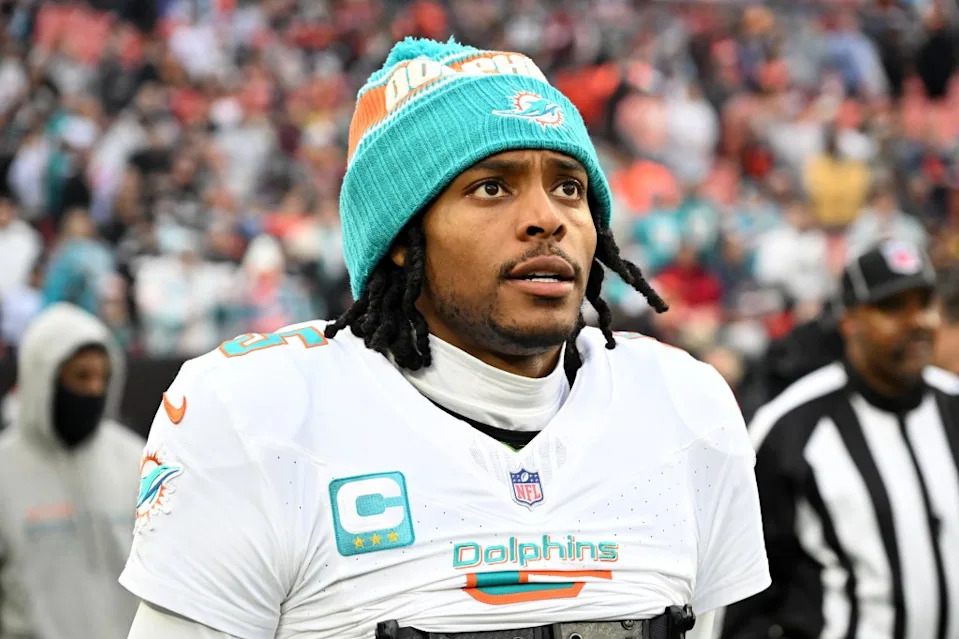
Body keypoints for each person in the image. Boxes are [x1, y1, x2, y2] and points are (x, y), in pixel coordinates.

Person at [121, 37, 770, 639]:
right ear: (403, 239)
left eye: (568, 187)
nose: (547, 219)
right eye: (492, 186)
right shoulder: (261, 414)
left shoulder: (682, 404)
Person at [721, 239, 959, 639]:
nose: (917, 320)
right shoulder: (790, 426)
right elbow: (744, 598)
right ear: (849, 321)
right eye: (892, 307)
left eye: (925, 303)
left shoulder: (953, 406)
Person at [0, 302, 144, 638]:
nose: (95, 390)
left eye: (102, 377)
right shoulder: (5, 469)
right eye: (81, 376)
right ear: (43, 377)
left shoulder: (135, 461)